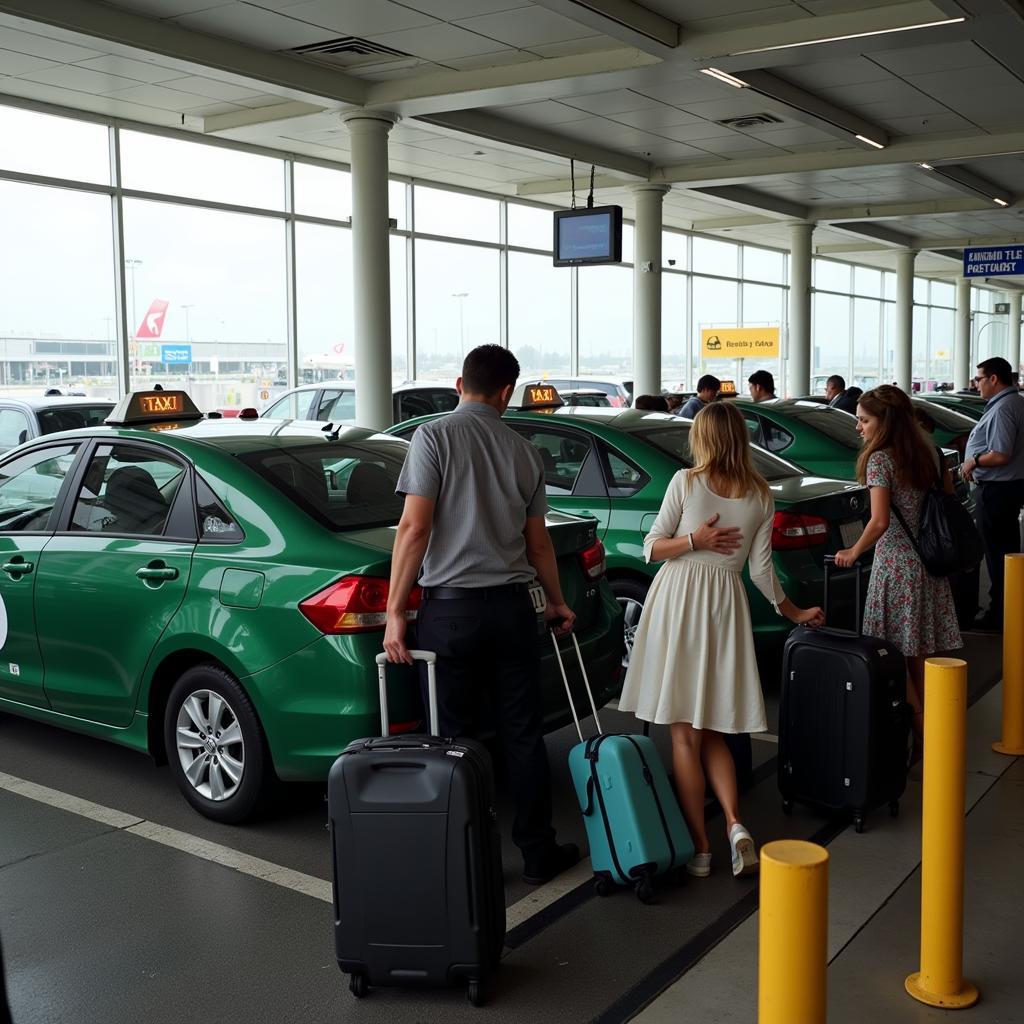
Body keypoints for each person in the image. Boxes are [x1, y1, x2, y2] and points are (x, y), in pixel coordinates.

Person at [384, 344, 580, 886]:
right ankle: (538, 851)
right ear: (507, 392)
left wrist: (396, 611)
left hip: (451, 614)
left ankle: (470, 860)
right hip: (515, 610)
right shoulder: (524, 450)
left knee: (454, 739)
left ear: (458, 384)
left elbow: (414, 530)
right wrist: (558, 602)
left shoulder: (433, 437)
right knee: (522, 734)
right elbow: (538, 544)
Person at [618, 402, 824, 879]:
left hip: (680, 600)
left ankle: (701, 849)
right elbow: (761, 571)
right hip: (725, 607)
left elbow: (651, 548)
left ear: (704, 439)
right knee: (710, 728)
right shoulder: (760, 494)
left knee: (684, 735)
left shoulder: (687, 482)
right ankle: (734, 824)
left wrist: (695, 541)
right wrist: (794, 612)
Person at [835, 386, 962, 752]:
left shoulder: (881, 460)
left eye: (864, 420)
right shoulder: (931, 453)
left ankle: (923, 735)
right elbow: (947, 502)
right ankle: (938, 734)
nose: (858, 427)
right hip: (929, 565)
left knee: (893, 655)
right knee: (921, 653)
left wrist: (853, 551)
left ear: (885, 421)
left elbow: (877, 522)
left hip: (895, 567)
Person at [960, 357, 1024, 631]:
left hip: (998, 491)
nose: (976, 384)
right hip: (1006, 489)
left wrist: (974, 459)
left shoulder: (1004, 408)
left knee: (997, 555)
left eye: (979, 379)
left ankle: (998, 615)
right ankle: (1006, 609)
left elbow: (1000, 454)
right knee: (1005, 553)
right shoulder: (1013, 402)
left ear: (994, 379)